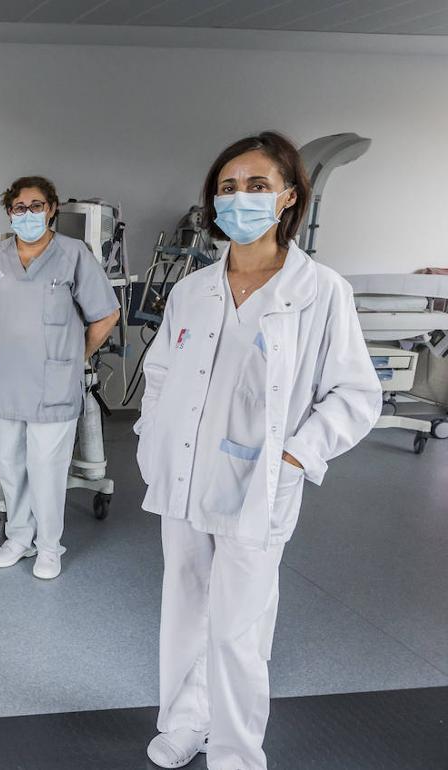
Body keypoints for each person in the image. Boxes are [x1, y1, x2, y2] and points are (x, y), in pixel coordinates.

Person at [136, 132, 381, 769]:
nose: (238, 198)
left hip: (258, 483)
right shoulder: (193, 289)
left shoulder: (320, 291)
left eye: (256, 186)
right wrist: (150, 437)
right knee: (184, 612)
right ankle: (186, 723)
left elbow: (356, 393)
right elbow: (159, 372)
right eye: (227, 187)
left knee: (239, 631)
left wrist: (297, 456)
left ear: (288, 198)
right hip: (185, 475)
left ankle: (238, 752)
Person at [0, 175, 120, 579]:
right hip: (2, 382)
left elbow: (107, 314)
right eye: (20, 207)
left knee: (47, 468)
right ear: (10, 212)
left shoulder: (73, 255)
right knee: (11, 465)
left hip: (53, 387)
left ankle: (49, 546)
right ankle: (18, 537)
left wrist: (74, 357)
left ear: (52, 209)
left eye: (37, 206)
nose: (29, 214)